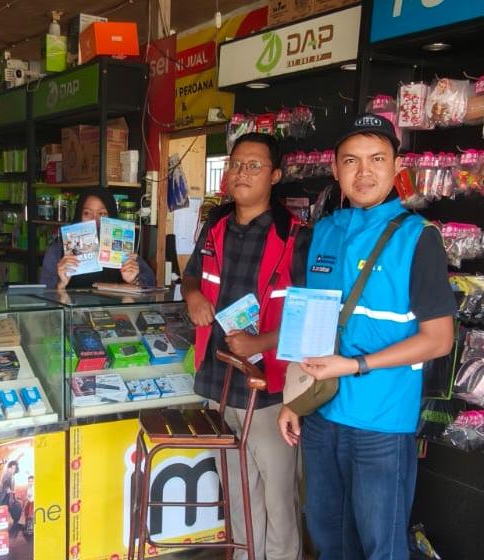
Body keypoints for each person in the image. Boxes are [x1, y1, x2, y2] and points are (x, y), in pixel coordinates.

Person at [277, 114, 456, 560]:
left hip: (381, 422)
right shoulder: (324, 232)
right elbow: (310, 323)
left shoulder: (417, 237)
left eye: (377, 159)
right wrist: (293, 399)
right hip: (322, 414)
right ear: (335, 169)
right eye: (351, 161)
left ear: (397, 167)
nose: (364, 172)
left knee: (381, 545)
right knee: (328, 537)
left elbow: (439, 339)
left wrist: (355, 365)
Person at [182, 132, 308, 560]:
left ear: (275, 175)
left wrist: (261, 341)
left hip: (269, 386)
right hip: (218, 380)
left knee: (279, 497)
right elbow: (191, 276)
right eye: (236, 164)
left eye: (254, 165)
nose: (242, 172)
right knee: (236, 489)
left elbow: (312, 317)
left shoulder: (295, 236)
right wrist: (193, 296)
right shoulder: (215, 226)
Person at [40, 187, 155, 289]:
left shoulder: (123, 251)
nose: (94, 220)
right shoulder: (57, 251)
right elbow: (44, 298)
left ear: (111, 216)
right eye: (87, 213)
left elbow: (151, 287)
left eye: (102, 214)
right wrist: (61, 284)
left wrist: (133, 281)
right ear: (78, 215)